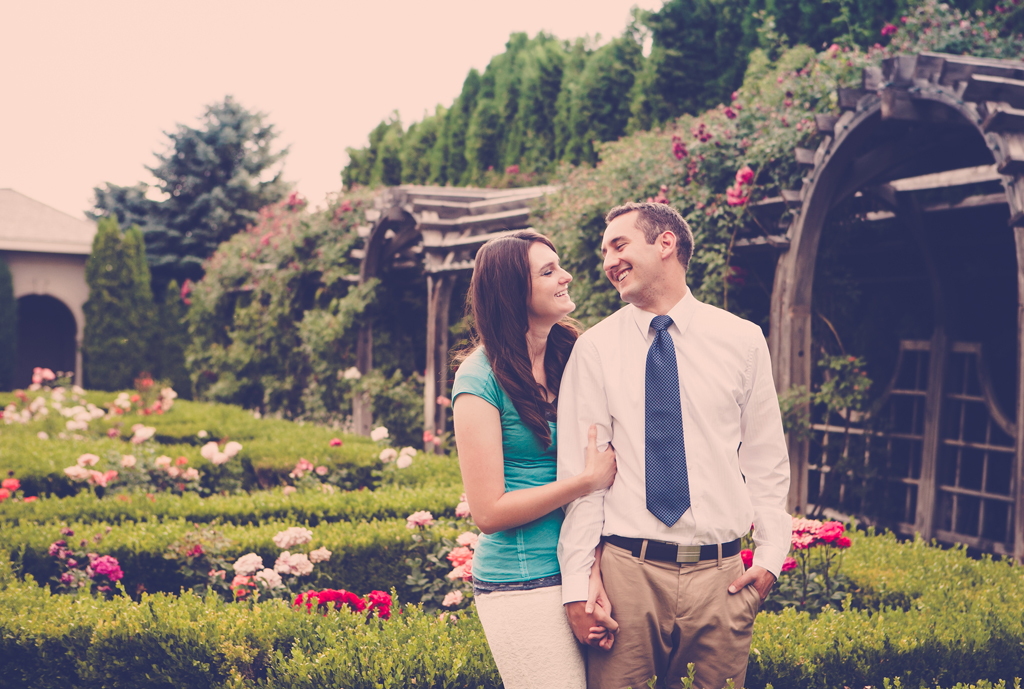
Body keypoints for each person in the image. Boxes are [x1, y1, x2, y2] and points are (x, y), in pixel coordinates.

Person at [557, 202, 792, 689]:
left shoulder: (743, 340)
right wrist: (578, 586)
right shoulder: (595, 348)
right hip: (627, 577)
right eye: (604, 251)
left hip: (722, 579)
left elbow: (766, 457)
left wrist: (770, 558)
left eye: (619, 245)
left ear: (666, 243)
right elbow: (582, 478)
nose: (608, 261)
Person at [451, 229, 618, 689]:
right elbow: (488, 512)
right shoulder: (478, 379)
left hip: (585, 567)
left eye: (558, 265)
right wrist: (584, 482)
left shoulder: (573, 354)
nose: (565, 276)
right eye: (548, 271)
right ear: (513, 292)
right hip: (521, 582)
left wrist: (591, 571)